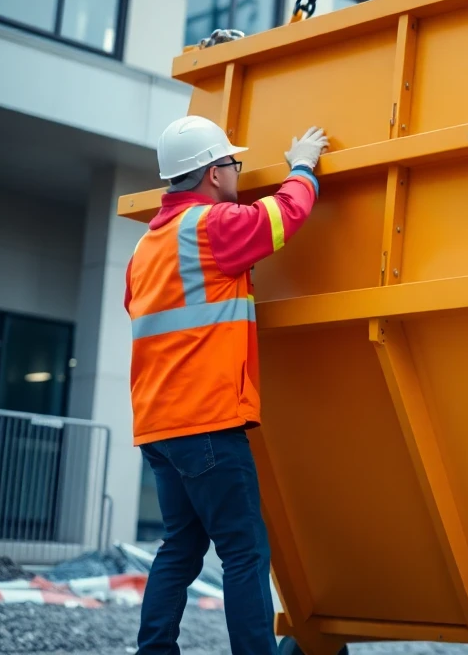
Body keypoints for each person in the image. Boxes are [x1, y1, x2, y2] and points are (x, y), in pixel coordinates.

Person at [125, 113, 329, 655]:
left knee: (181, 548)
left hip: (158, 428)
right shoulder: (212, 226)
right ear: (214, 173)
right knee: (244, 552)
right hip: (208, 421)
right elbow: (283, 216)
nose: (238, 173)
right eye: (233, 164)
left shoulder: (146, 248)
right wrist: (303, 166)